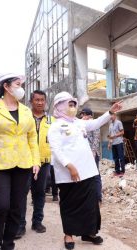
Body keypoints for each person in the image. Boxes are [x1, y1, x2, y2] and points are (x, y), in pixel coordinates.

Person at [48, 92, 122, 250]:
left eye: (74, 104)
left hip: (88, 171)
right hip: (69, 174)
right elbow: (56, 149)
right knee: (69, 205)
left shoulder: (79, 123)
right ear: (60, 106)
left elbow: (95, 123)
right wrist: (69, 165)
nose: (73, 108)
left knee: (91, 204)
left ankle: (89, 232)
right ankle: (68, 234)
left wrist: (110, 112)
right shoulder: (55, 126)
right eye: (70, 104)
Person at [0, 73, 40, 250]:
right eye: (18, 84)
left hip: (23, 164)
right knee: (2, 205)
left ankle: (8, 243)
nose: (21, 88)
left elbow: (32, 138)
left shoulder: (26, 111)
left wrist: (36, 162)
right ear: (6, 86)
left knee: (17, 207)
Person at [17, 90, 55, 238]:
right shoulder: (24, 117)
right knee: (21, 194)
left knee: (39, 193)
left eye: (42, 100)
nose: (40, 102)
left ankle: (37, 222)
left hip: (44, 162)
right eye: (37, 100)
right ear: (31, 101)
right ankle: (20, 225)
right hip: (25, 162)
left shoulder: (52, 120)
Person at [80, 108, 102, 202]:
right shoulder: (82, 124)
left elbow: (96, 139)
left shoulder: (94, 124)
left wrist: (93, 152)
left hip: (92, 154)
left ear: (86, 115)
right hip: (84, 153)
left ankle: (98, 196)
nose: (81, 117)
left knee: (95, 174)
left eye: (82, 115)